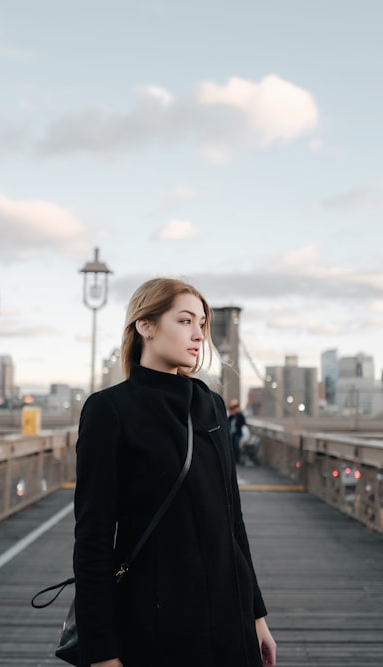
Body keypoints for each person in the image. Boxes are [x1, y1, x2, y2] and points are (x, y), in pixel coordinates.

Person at [72, 277, 277, 667]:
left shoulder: (212, 405)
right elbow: (93, 540)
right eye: (184, 321)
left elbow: (233, 523)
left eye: (201, 323)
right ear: (145, 326)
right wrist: (101, 653)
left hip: (229, 615)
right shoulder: (109, 411)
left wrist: (256, 616)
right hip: (157, 621)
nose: (198, 334)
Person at [228, 399, 247, 465]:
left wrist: (237, 417)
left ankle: (237, 459)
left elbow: (243, 423)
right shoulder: (232, 416)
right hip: (232, 433)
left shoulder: (240, 415)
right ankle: (234, 459)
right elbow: (228, 422)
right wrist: (232, 415)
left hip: (237, 433)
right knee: (232, 446)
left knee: (236, 446)